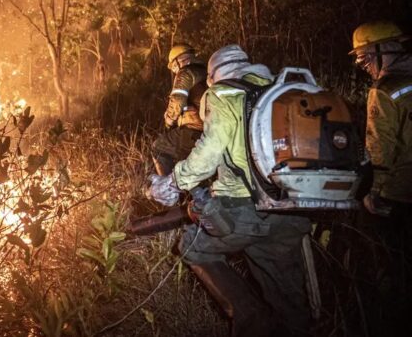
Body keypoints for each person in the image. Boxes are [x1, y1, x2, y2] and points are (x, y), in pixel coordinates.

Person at [147, 44, 311, 337]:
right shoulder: (279, 92)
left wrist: (173, 182)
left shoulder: (222, 93)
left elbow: (208, 153)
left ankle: (250, 318)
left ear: (212, 76)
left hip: (245, 209)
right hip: (293, 207)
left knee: (192, 247)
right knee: (286, 298)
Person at [350, 20, 412, 333]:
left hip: (398, 193)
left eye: (364, 57)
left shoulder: (386, 89)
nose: (364, 66)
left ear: (381, 49)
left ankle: (386, 319)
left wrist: (373, 192)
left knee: (385, 260)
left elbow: (380, 148)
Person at [150, 44, 207, 176]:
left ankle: (168, 191)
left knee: (158, 148)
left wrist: (169, 121)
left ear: (178, 61)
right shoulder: (206, 71)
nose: (174, 70)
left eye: (174, 66)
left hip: (195, 130)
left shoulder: (185, 72)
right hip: (212, 130)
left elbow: (177, 100)